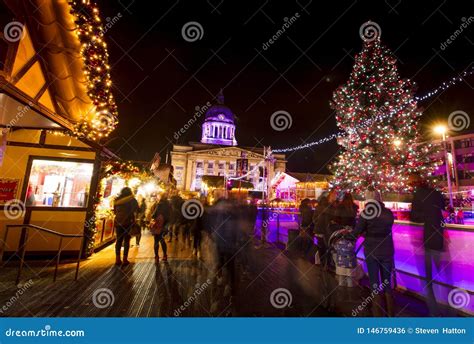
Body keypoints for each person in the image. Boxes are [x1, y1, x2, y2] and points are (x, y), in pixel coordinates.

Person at [353, 190, 395, 316]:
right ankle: (391, 313)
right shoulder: (388, 213)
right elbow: (388, 228)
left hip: (372, 250)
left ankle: (377, 314)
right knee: (387, 282)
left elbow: (357, 231)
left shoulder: (366, 213)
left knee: (374, 282)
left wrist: (364, 233)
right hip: (387, 249)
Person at [409, 173, 445, 316]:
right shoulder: (436, 194)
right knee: (441, 274)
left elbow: (415, 218)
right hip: (440, 237)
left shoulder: (418, 196)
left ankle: (434, 312)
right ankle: (446, 310)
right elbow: (443, 209)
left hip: (426, 239)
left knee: (428, 278)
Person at [113, 187, 139, 266]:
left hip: (118, 222)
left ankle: (117, 259)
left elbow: (114, 211)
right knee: (127, 240)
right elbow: (137, 209)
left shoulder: (117, 200)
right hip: (128, 222)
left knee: (119, 240)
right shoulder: (132, 200)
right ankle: (124, 259)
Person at [152, 195, 171, 263]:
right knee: (162, 240)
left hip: (158, 225)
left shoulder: (159, 205)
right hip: (165, 225)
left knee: (156, 241)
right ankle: (165, 255)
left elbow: (153, 215)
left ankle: (156, 257)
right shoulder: (169, 205)